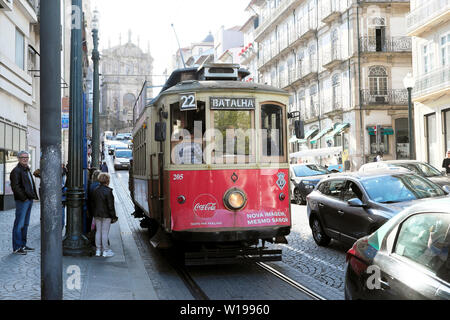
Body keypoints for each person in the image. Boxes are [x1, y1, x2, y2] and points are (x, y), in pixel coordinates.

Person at [10, 151, 39, 255]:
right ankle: (17, 247)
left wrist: (32, 197)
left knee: (25, 224)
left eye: (26, 157)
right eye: (23, 157)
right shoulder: (16, 171)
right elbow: (15, 187)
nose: (25, 159)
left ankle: (23, 245)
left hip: (29, 200)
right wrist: (24, 198)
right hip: (22, 201)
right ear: (18, 158)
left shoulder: (26, 169)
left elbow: (30, 185)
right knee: (19, 224)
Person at [92, 173, 118, 257]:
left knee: (98, 232)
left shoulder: (95, 190)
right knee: (105, 232)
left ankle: (98, 250)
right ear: (107, 180)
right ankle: (105, 250)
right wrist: (113, 216)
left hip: (97, 214)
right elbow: (111, 206)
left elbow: (93, 203)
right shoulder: (108, 191)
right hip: (106, 215)